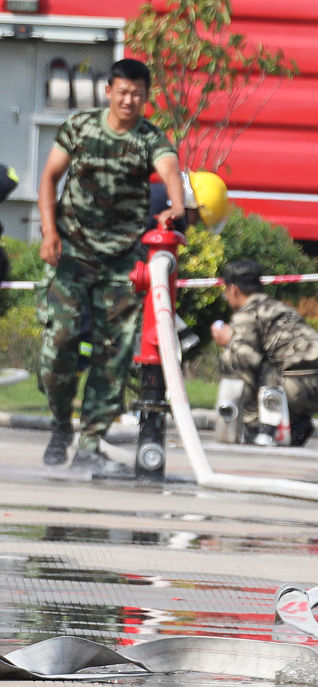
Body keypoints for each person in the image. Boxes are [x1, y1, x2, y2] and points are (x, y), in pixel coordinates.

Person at [36, 58, 183, 478]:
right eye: (122, 91)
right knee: (58, 345)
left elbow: (170, 168)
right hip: (72, 254)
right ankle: (61, 425)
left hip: (121, 260)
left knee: (112, 355)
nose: (128, 100)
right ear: (109, 91)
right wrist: (49, 232)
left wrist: (175, 204)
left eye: (137, 93)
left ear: (145, 96)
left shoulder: (149, 137)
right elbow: (49, 177)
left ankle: (89, 443)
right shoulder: (80, 126)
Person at [210, 260, 318, 447]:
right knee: (274, 360)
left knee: (235, 357)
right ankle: (295, 424)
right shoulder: (280, 308)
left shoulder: (247, 314)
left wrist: (229, 341)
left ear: (233, 289)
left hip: (294, 385)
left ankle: (258, 428)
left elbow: (246, 359)